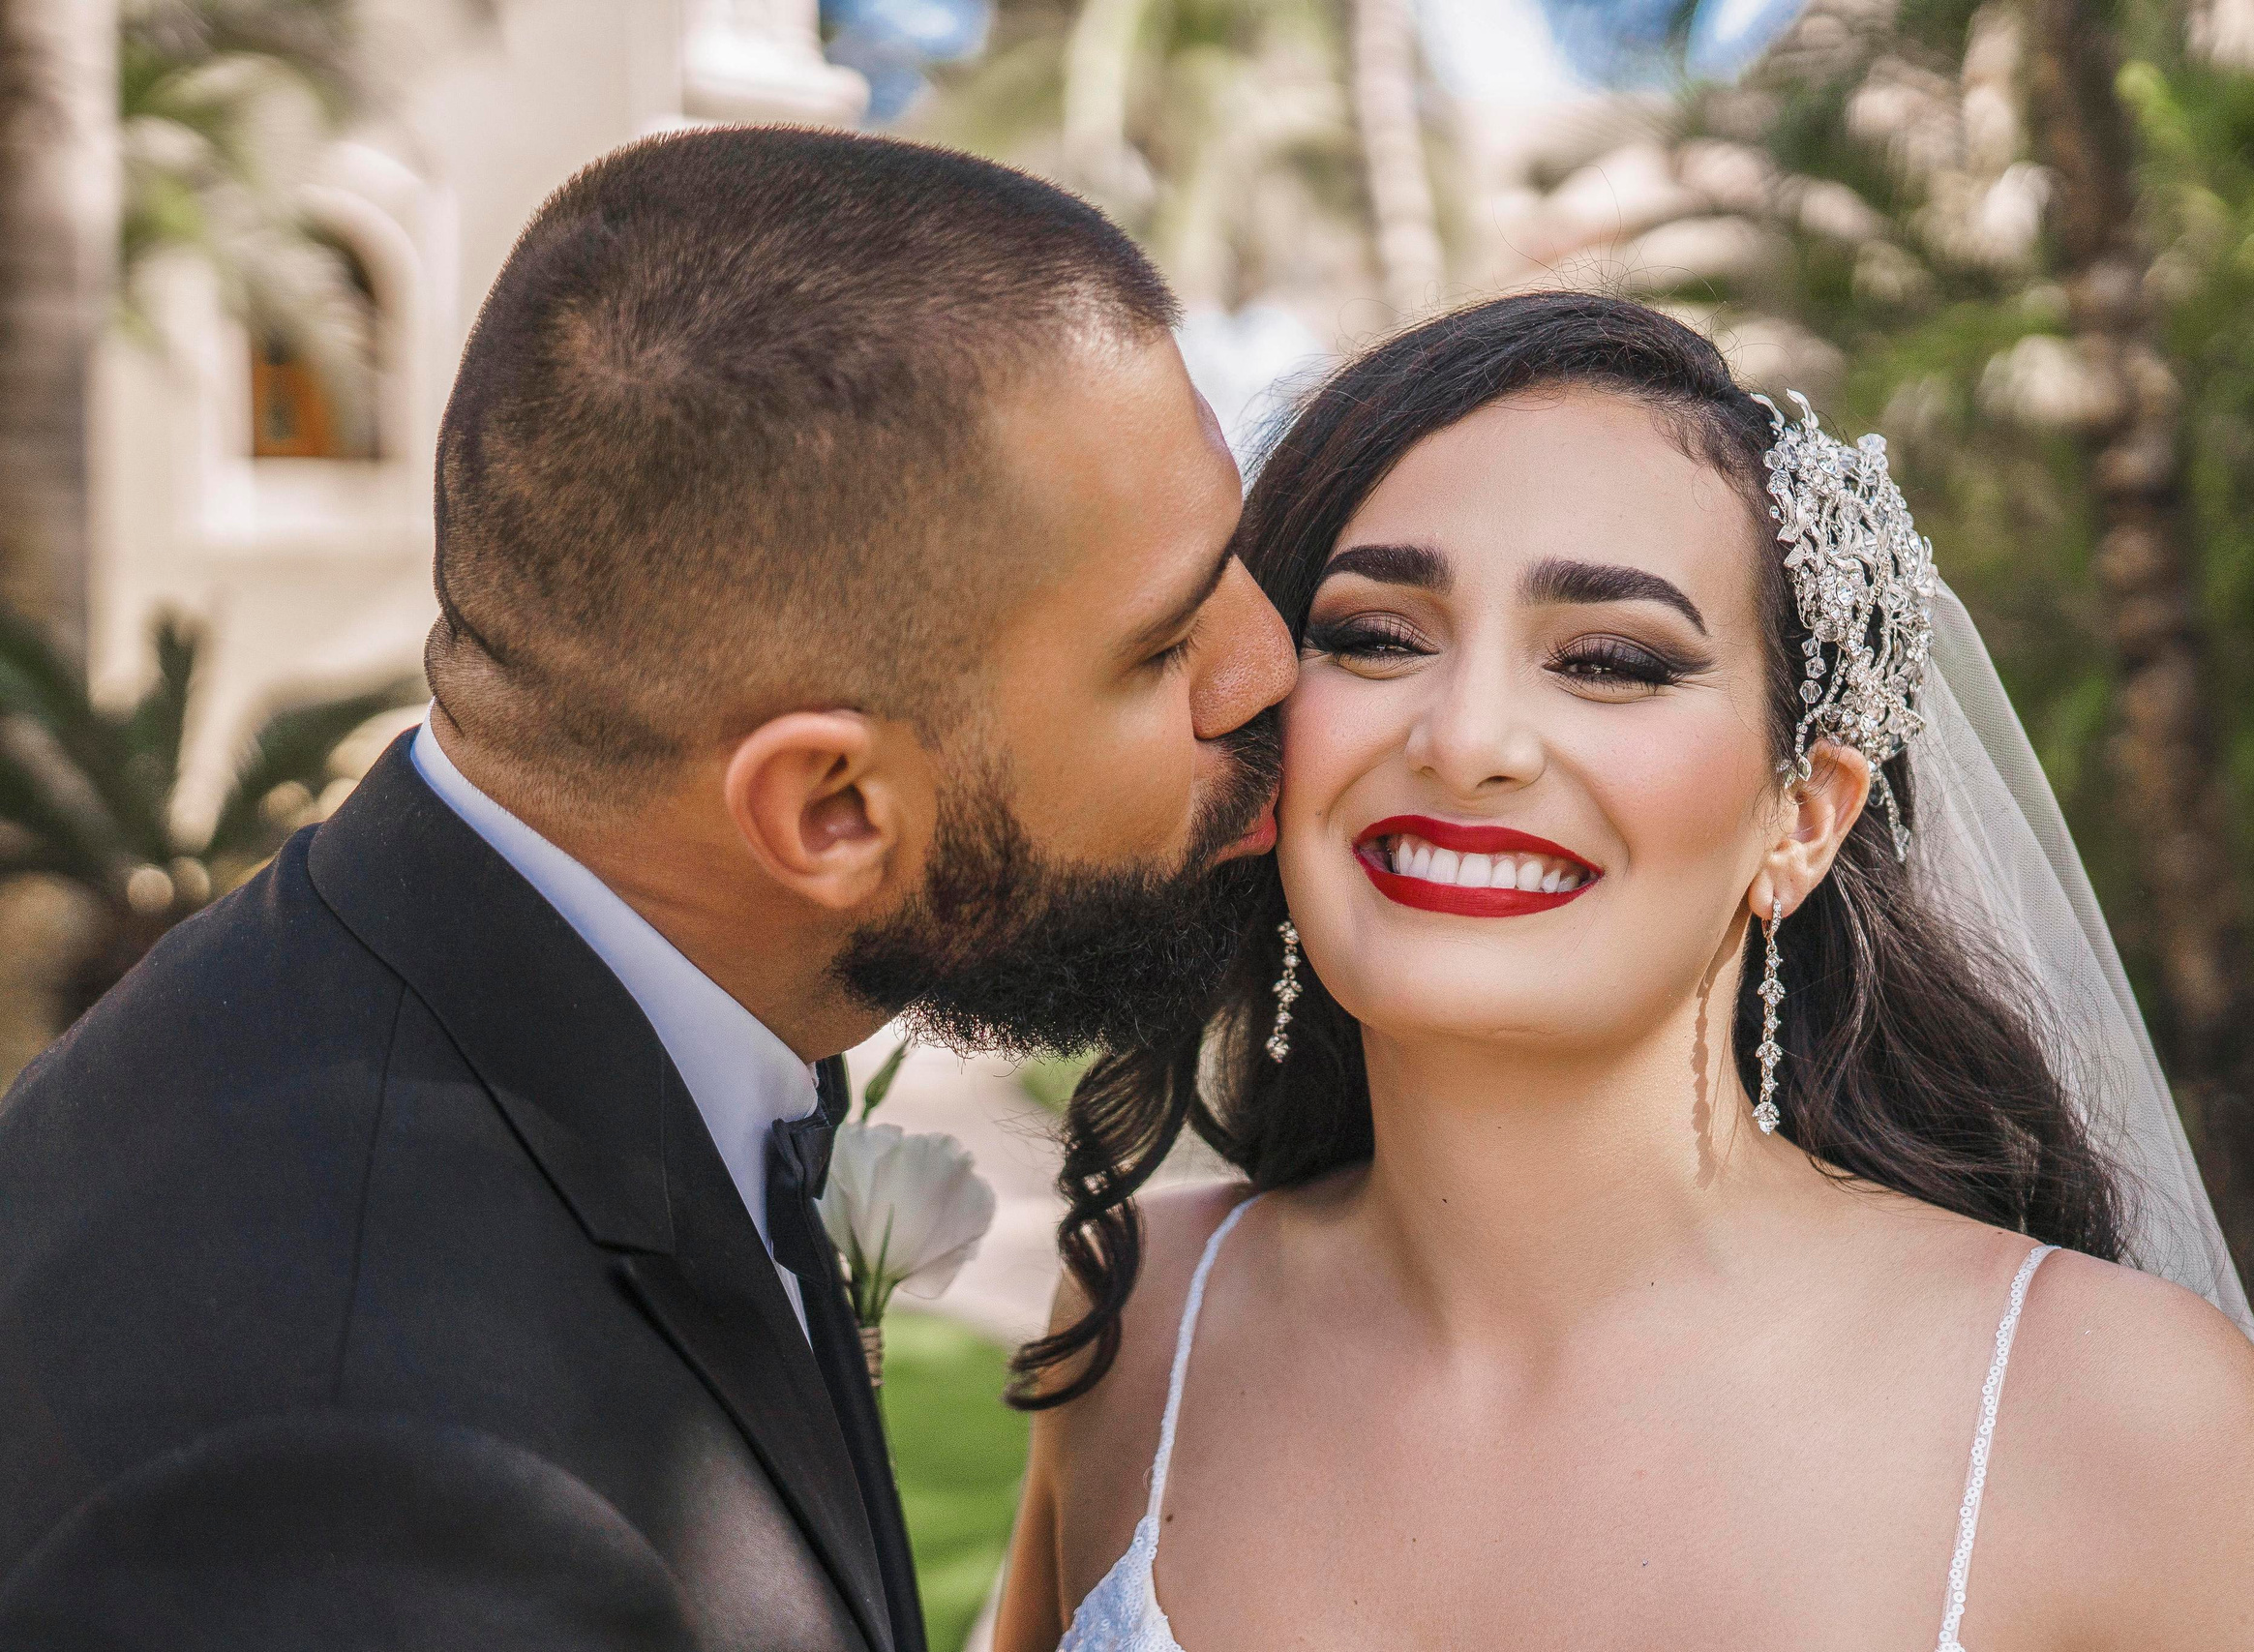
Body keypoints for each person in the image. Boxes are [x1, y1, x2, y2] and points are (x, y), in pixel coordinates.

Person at [0, 128, 1295, 1651]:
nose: (1268, 661)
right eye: (1159, 647)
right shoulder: (381, 1495)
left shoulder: (454, 996)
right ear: (827, 812)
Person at [994, 293, 2254, 1651]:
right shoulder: (1141, 1316)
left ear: (1803, 817)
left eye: (1611, 660)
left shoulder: (2116, 1414)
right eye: (1374, 636)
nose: (1468, 735)